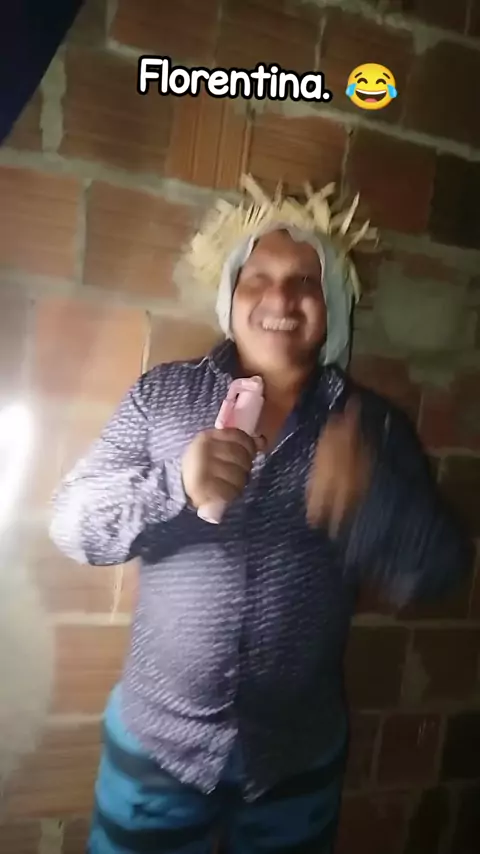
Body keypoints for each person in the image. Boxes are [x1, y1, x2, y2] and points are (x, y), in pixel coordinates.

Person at [49, 175, 470, 854]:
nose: (280, 298)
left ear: (332, 306)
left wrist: (374, 508)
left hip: (294, 759)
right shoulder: (163, 396)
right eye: (259, 279)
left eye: (305, 281)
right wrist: (176, 484)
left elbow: (444, 571)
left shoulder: (373, 428)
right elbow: (73, 526)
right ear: (231, 296)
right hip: (159, 749)